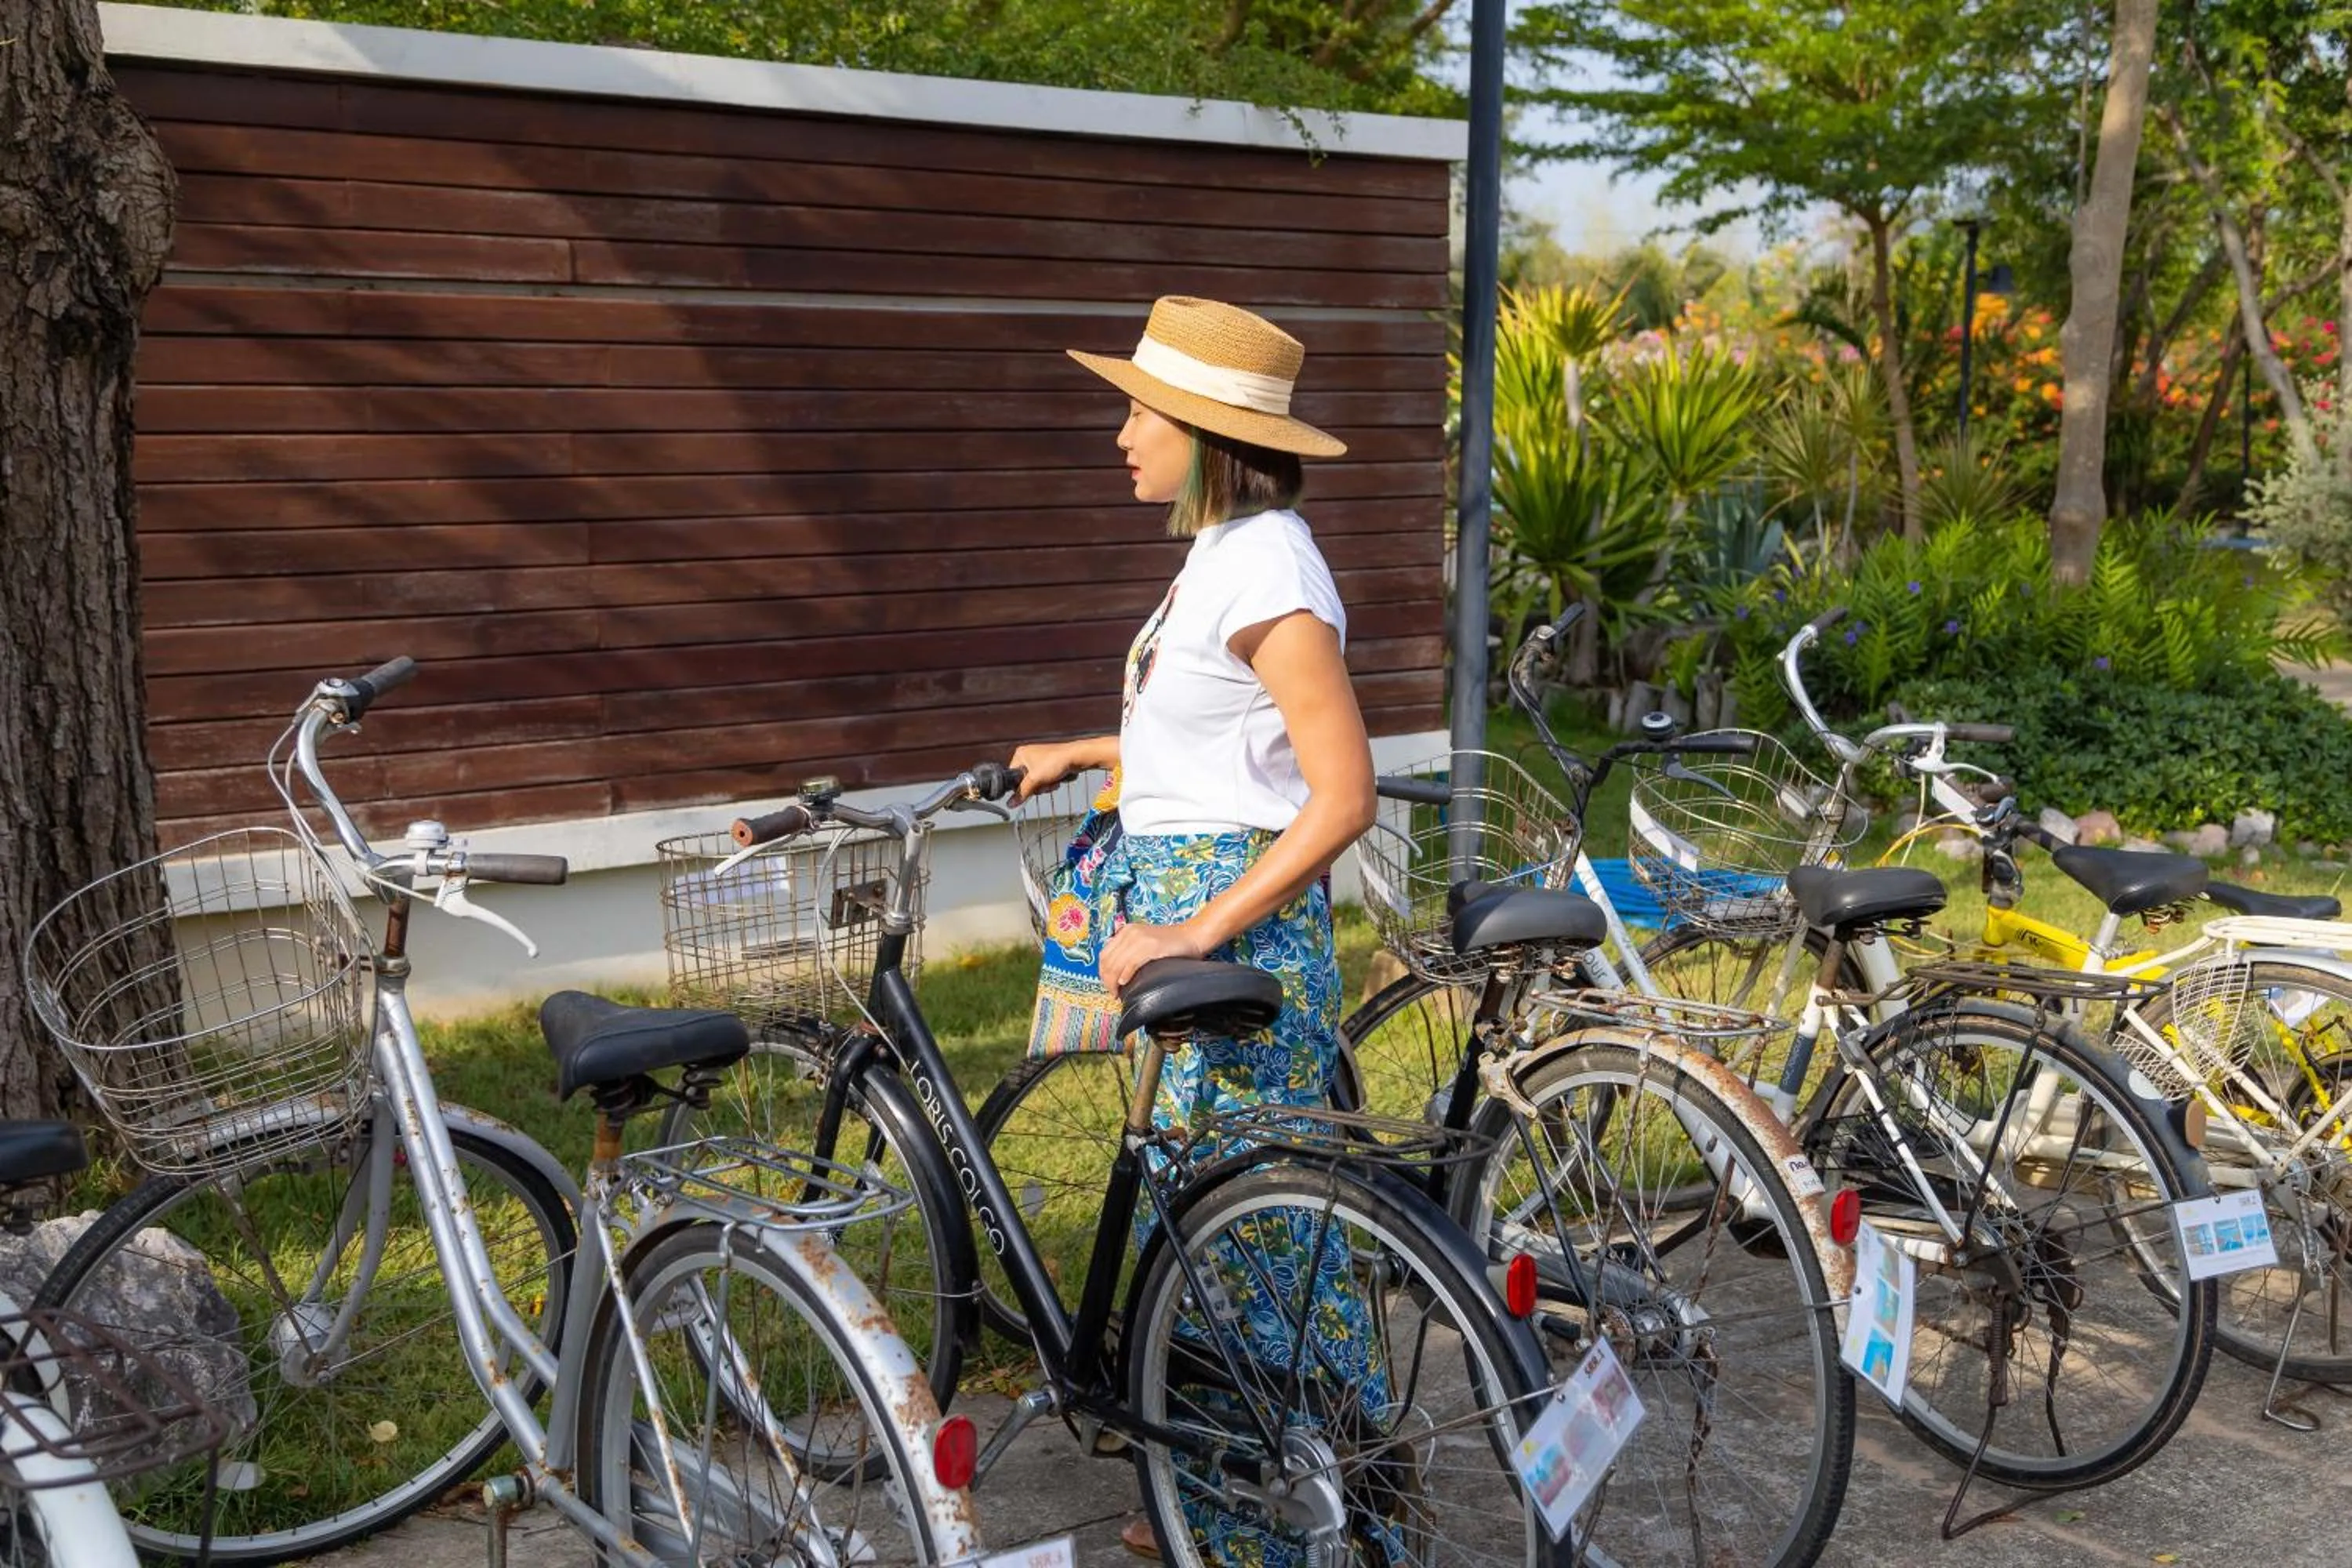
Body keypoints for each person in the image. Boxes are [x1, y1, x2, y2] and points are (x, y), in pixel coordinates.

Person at [1007, 296, 1377, 1562]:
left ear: (1207, 436)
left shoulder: (1268, 566)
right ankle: (1215, 1507)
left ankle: (1315, 1521)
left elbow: (1339, 794)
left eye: (1139, 412)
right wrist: (1092, 747)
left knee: (1262, 1233)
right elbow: (1225, 743)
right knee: (1213, 1228)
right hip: (1209, 911)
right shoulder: (1225, 558)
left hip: (1241, 935)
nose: (1120, 434)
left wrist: (1195, 931)